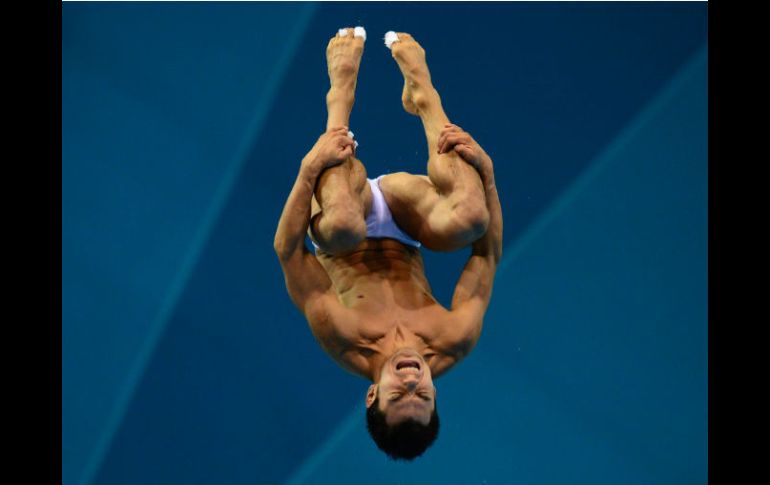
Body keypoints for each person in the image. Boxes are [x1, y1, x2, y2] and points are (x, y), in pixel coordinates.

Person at [273, 27, 502, 460]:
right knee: (472, 218)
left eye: (399, 397)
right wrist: (486, 174)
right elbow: (487, 255)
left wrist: (309, 170)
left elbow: (287, 250)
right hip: (404, 218)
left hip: (343, 218)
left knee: (342, 226)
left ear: (373, 394)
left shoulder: (343, 338)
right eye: (424, 397)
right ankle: (424, 97)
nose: (412, 384)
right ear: (436, 394)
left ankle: (339, 97)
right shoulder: (455, 339)